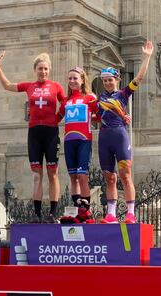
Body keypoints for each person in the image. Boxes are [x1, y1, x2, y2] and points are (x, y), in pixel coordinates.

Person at [0, 51, 65, 222]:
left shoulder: (56, 86)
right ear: (35, 70)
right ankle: (37, 213)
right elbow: (7, 85)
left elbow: (66, 102)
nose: (43, 72)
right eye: (40, 68)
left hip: (51, 132)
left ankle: (53, 213)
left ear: (49, 70)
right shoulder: (29, 86)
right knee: (36, 174)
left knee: (52, 173)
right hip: (34, 133)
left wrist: (58, 117)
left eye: (46, 69)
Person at [97, 40, 154, 224]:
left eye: (110, 80)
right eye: (104, 80)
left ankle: (130, 213)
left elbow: (138, 78)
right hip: (104, 137)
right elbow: (96, 116)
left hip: (119, 135)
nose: (107, 83)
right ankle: (111, 214)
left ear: (117, 79)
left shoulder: (123, 94)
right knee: (109, 177)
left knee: (125, 175)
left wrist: (146, 57)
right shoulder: (99, 98)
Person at [59, 66, 97, 218]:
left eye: (75, 78)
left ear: (82, 80)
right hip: (69, 141)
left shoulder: (90, 97)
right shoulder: (66, 101)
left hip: (84, 140)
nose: (72, 81)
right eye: (70, 78)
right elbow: (57, 117)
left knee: (82, 176)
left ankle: (86, 209)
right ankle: (76, 209)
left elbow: (100, 114)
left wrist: (93, 118)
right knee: (73, 177)